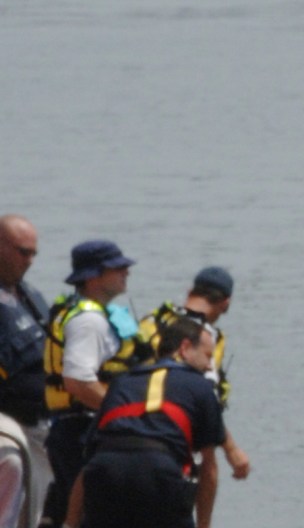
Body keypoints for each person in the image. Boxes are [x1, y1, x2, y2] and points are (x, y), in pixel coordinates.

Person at [79, 316, 226, 528]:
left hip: (105, 470)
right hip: (158, 472)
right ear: (185, 348)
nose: (209, 365)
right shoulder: (200, 386)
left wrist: (69, 523)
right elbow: (209, 468)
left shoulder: (121, 382)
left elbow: (89, 462)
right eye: (207, 356)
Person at [42, 240, 141, 528]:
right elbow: (78, 382)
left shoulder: (88, 313)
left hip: (77, 430)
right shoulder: (88, 321)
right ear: (93, 276)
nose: (126, 272)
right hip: (82, 433)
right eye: (117, 268)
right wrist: (129, 416)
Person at [135, 266, 251, 482]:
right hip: (176, 437)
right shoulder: (207, 338)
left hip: (131, 427)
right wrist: (231, 450)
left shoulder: (151, 321)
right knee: (201, 472)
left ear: (190, 292)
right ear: (225, 303)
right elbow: (205, 398)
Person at [0, 215, 50, 526]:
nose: (29, 260)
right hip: (11, 424)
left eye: (34, 253)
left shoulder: (28, 294)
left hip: (44, 423)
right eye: (23, 252)